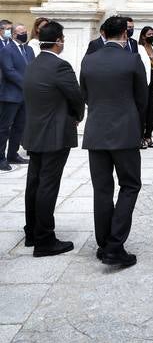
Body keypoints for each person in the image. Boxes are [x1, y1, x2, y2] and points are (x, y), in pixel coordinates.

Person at [80, 15, 148, 267]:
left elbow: (85, 95)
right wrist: (137, 127)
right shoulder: (132, 60)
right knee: (130, 185)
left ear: (104, 34)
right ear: (124, 35)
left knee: (102, 189)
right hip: (125, 132)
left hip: (96, 132)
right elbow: (142, 99)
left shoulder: (88, 61)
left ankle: (103, 242)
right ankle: (115, 244)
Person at [22, 20, 85, 257]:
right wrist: (78, 115)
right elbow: (75, 96)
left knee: (34, 184)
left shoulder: (33, 64)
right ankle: (45, 239)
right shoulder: (60, 67)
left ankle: (32, 232)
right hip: (55, 133)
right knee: (48, 185)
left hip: (35, 131)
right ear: (58, 41)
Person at [0, 22, 35, 172]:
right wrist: (26, 83)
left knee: (19, 127)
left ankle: (12, 154)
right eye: (21, 32)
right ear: (14, 34)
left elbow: (33, 67)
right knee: (4, 128)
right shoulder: (7, 50)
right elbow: (9, 71)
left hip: (25, 96)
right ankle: (1, 158)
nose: (24, 34)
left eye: (26, 31)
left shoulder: (29, 49)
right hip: (10, 95)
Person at [139, 26, 153, 149]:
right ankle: (141, 136)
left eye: (152, 33)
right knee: (143, 109)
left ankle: (149, 135)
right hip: (144, 83)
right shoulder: (139, 49)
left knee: (152, 109)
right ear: (143, 36)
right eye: (149, 34)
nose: (151, 35)